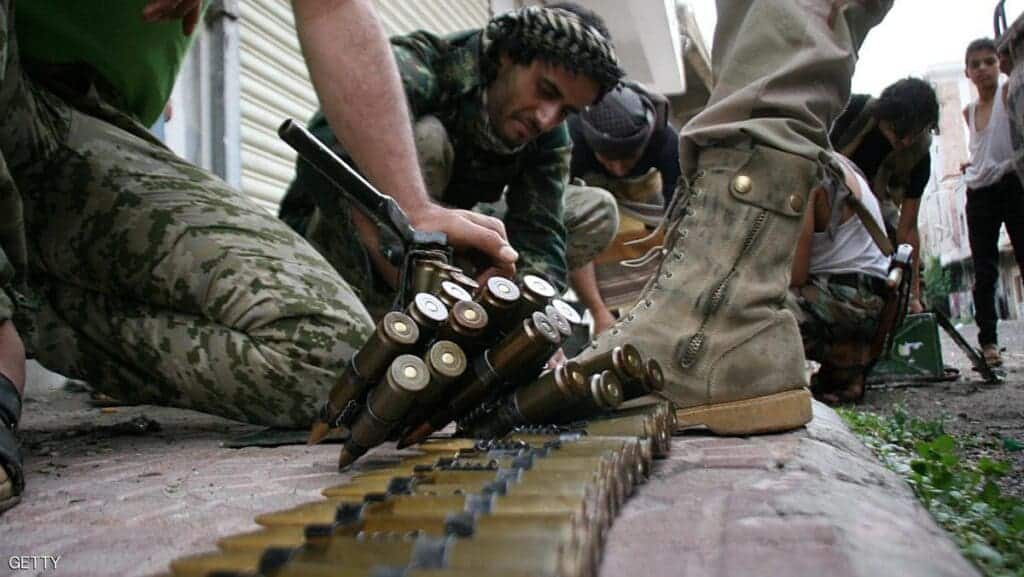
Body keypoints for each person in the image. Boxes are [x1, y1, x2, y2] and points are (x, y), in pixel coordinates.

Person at [0, 0, 519, 514]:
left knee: (332, 359)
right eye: (546, 93)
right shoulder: (437, 65)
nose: (546, 118)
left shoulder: (542, 144)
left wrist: (413, 210)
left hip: (74, 118)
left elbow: (332, 9)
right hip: (17, 91)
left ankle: (30, 309)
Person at [573, 0, 892, 436]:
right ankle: (732, 338)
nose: (617, 168)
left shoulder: (664, 145)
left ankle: (717, 332)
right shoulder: (577, 146)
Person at [279, 4, 624, 314]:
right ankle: (393, 303)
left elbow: (541, 234)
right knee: (428, 137)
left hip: (443, 242)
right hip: (341, 237)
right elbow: (322, 155)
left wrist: (527, 309)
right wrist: (404, 240)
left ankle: (463, 305)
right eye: (546, 91)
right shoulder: (426, 66)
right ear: (508, 56)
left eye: (566, 111)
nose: (546, 118)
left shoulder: (548, 134)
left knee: (596, 208)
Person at [566, 81, 680, 335]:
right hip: (590, 184)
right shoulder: (573, 138)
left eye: (627, 158)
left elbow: (680, 217)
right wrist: (599, 312)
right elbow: (565, 228)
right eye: (609, 159)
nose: (618, 169)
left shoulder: (666, 140)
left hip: (645, 187)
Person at [829, 77, 938, 314]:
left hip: (877, 211)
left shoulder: (919, 155)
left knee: (906, 268)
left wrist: (914, 295)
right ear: (884, 115)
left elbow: (908, 229)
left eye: (914, 134)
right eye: (899, 132)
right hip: (829, 195)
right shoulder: (854, 110)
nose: (905, 141)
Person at [787, 155, 890, 404]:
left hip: (851, 305)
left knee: (749, 305)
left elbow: (795, 274)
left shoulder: (802, 168)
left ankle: (843, 357)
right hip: (871, 303)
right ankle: (845, 369)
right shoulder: (838, 162)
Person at [961, 37, 1024, 367]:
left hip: (1010, 184)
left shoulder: (1008, 93)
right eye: (976, 64)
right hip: (979, 192)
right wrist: (970, 164)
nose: (983, 68)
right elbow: (980, 147)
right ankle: (988, 343)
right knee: (984, 270)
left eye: (989, 61)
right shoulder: (968, 112)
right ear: (967, 72)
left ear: (999, 65)